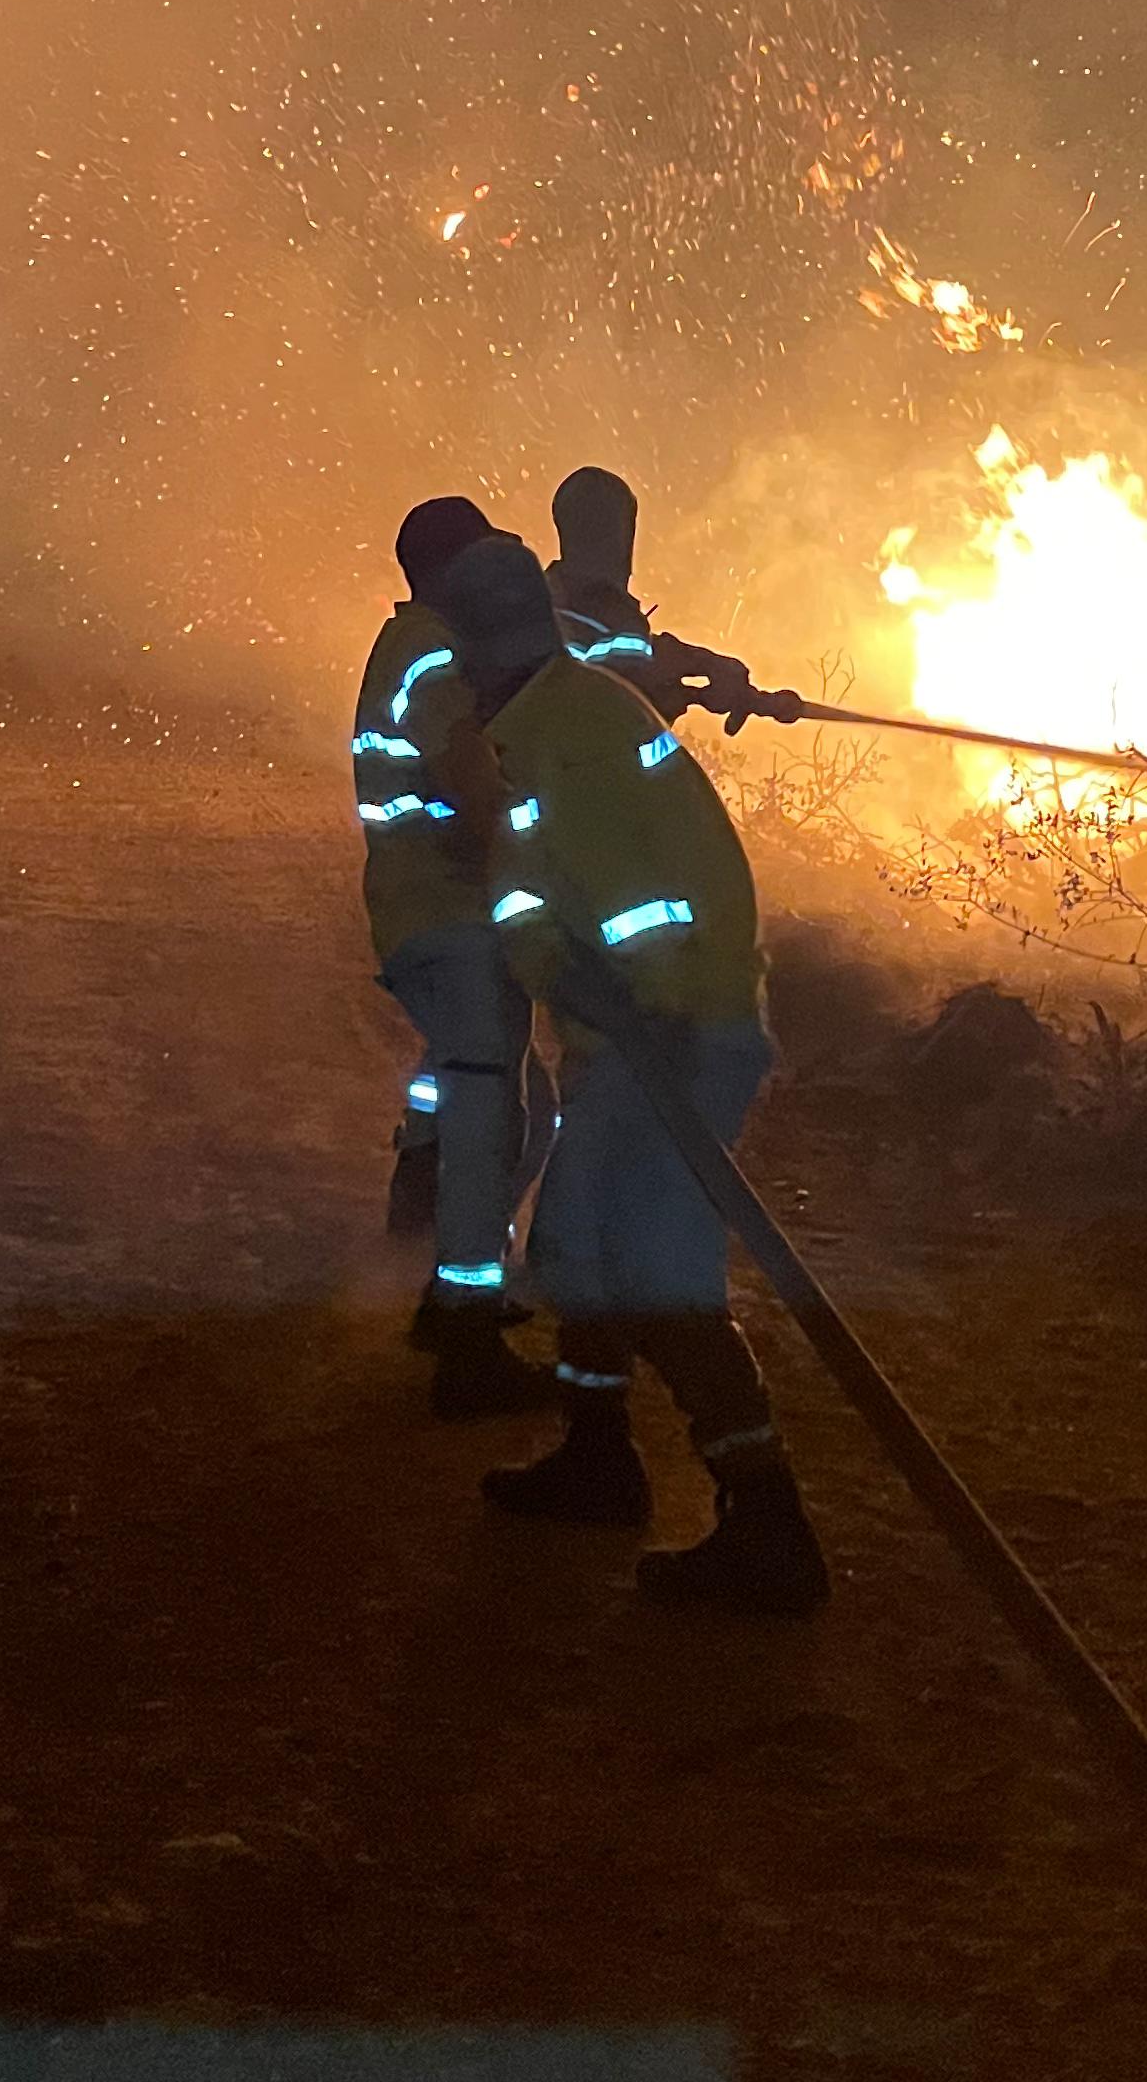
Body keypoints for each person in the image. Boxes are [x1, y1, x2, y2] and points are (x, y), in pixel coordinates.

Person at [429, 528, 829, 1613]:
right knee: (579, 1252)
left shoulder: (573, 735)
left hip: (678, 1035)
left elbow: (643, 895)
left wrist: (639, 994)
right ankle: (599, 1459)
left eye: (462, 644)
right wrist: (549, 953)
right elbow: (539, 888)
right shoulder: (548, 719)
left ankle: (769, 1526)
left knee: (661, 1277)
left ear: (480, 643)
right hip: (633, 1034)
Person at [351, 498, 560, 1420]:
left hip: (435, 913)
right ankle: (465, 1336)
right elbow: (465, 770)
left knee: (493, 1096)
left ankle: (428, 1223)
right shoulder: (432, 651)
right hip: (447, 911)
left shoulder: (429, 643)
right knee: (493, 1114)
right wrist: (538, 858)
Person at [547, 464, 763, 726]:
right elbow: (626, 668)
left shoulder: (548, 604)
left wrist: (694, 675)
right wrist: (694, 670)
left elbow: (637, 662)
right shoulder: (584, 618)